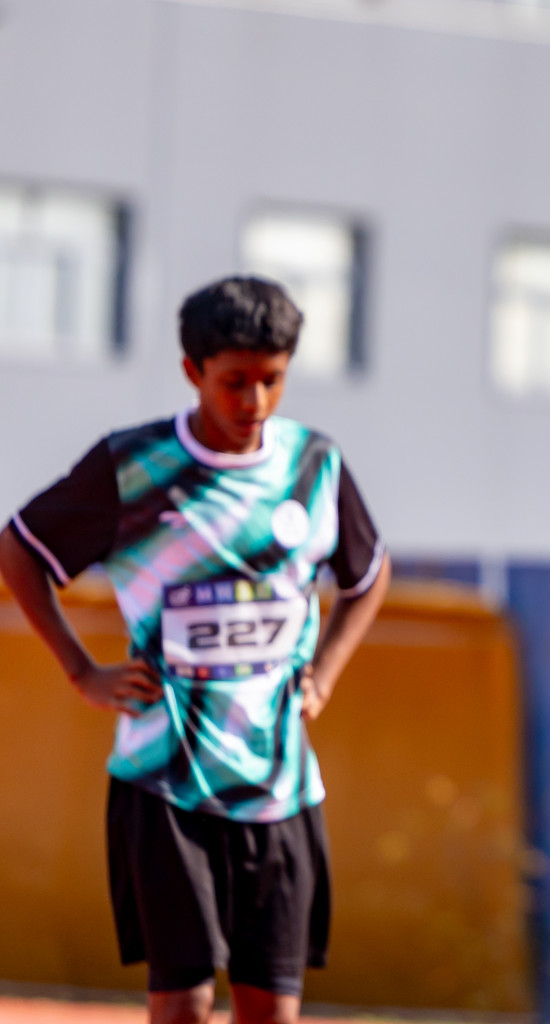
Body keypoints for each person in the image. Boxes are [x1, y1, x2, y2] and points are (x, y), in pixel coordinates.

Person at [0, 277, 390, 1024]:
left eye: (271, 381)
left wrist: (326, 673)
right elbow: (18, 552)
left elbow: (368, 578)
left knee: (271, 1009)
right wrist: (83, 671)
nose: (254, 403)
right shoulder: (134, 468)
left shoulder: (315, 466)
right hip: (164, 784)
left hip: (280, 786)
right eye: (234, 382)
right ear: (192, 372)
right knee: (182, 1004)